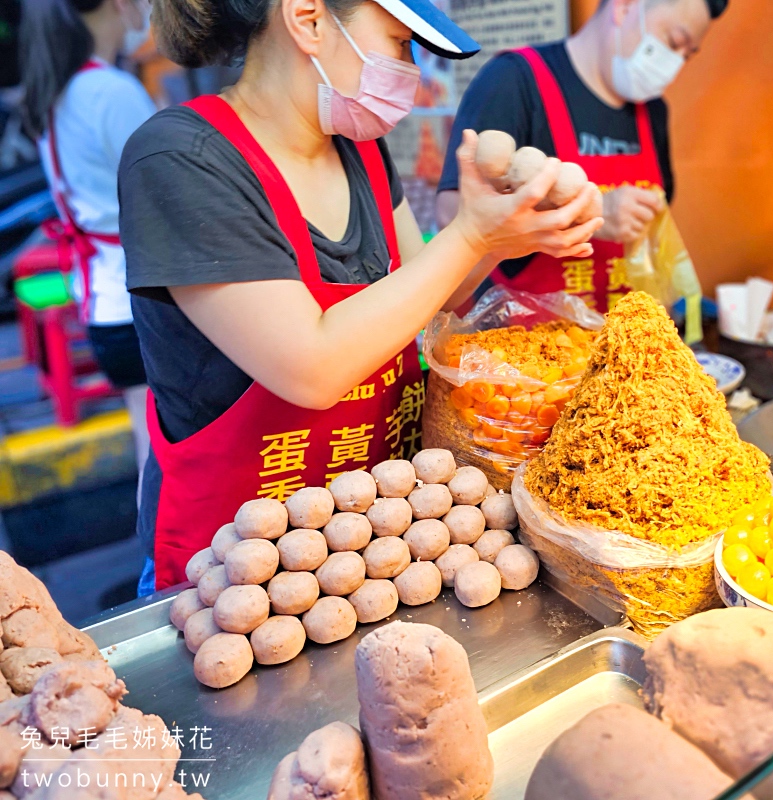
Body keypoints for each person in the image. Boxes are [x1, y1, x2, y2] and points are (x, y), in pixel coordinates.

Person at [120, 0, 602, 593]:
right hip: (231, 569)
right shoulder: (180, 159)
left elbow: (430, 295)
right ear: (308, 18)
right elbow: (311, 368)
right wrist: (472, 232)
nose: (411, 69)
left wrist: (509, 235)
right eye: (400, 43)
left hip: (374, 539)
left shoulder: (360, 151)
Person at [436, 0, 725, 313]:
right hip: (523, 343)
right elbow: (452, 213)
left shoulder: (654, 111)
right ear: (625, 8)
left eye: (687, 55)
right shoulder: (514, 80)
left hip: (621, 343)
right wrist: (590, 216)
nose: (675, 65)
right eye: (673, 43)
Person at [17, 0, 156, 478]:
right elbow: (166, 191)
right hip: (145, 301)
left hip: (105, 300)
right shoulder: (109, 91)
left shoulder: (58, 87)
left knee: (152, 453)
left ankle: (155, 553)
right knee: (169, 458)